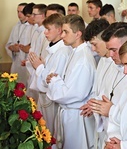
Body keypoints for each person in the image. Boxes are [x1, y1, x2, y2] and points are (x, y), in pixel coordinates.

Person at [46, 14, 96, 149]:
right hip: (68, 114)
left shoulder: (83, 59)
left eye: (65, 32)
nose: (62, 35)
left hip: (76, 117)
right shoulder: (75, 52)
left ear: (78, 34)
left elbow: (72, 94)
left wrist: (55, 81)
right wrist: (56, 78)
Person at [86, 22, 127, 148]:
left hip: (123, 140)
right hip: (108, 133)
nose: (110, 55)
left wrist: (111, 111)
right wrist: (96, 104)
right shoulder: (113, 65)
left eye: (114, 50)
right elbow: (104, 93)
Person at [28, 13, 71, 134]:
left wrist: (39, 66)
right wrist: (41, 65)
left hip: (52, 102)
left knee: (51, 133)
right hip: (45, 99)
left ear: (58, 30)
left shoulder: (62, 52)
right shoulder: (53, 48)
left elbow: (52, 79)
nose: (45, 33)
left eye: (48, 29)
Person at [81, 18, 112, 148]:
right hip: (101, 121)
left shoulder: (122, 67)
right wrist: (93, 103)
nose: (93, 49)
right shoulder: (103, 60)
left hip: (113, 126)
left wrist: (105, 107)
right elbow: (98, 90)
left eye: (95, 44)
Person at [25, 3, 48, 100]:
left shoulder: (45, 33)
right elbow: (33, 50)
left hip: (38, 68)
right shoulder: (36, 30)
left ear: (42, 15)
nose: (32, 16)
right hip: (33, 67)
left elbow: (43, 55)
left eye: (35, 14)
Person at [5, 3, 29, 85]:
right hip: (16, 62)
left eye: (21, 12)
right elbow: (8, 44)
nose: (19, 14)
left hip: (26, 62)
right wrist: (11, 48)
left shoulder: (33, 27)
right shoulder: (15, 27)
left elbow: (34, 46)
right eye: (17, 11)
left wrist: (20, 49)